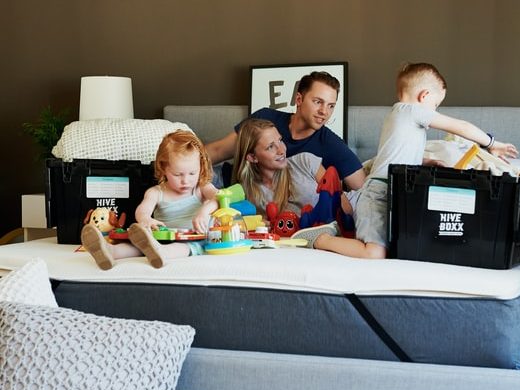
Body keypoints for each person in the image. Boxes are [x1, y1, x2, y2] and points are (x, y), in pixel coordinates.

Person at [291, 62, 519, 259]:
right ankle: (321, 239)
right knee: (375, 253)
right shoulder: (410, 111)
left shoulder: (399, 117)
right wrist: (491, 143)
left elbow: (398, 154)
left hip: (396, 194)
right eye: (436, 106)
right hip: (378, 194)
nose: (435, 111)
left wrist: (426, 162)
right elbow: (460, 127)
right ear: (424, 97)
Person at [81, 130, 220, 270]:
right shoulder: (156, 192)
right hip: (161, 238)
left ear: (201, 167)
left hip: (195, 239)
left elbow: (220, 196)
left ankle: (162, 253)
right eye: (177, 174)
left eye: (192, 173)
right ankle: (109, 250)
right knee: (141, 245)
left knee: (183, 247)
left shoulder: (202, 188)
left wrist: (205, 210)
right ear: (163, 167)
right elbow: (143, 210)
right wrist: (145, 219)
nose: (186, 180)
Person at [206, 71, 365, 191]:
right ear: (298, 99)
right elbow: (218, 150)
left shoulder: (331, 144)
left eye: (331, 105)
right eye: (318, 102)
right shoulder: (265, 118)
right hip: (227, 187)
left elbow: (362, 189)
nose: (325, 111)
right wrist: (185, 169)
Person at [232, 118, 353, 232]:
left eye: (280, 140)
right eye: (270, 147)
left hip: (348, 216)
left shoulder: (305, 161)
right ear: (252, 157)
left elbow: (345, 206)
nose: (281, 150)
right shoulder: (250, 193)